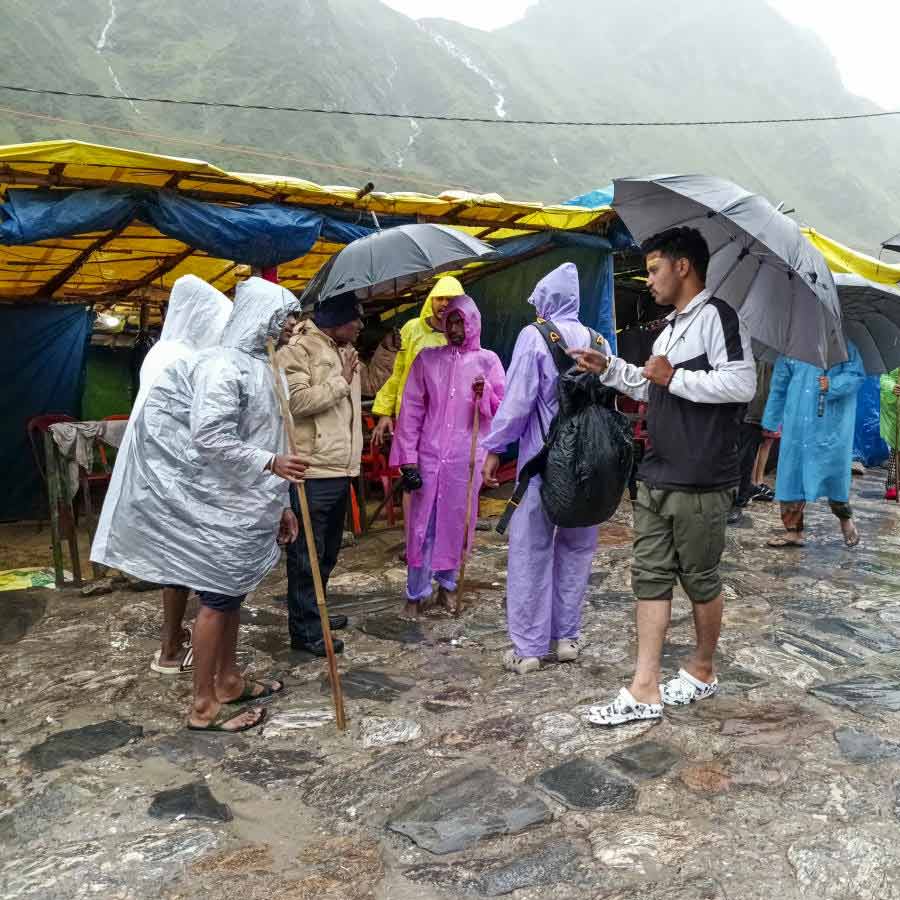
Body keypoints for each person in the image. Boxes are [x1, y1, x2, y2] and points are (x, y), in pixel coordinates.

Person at [92, 277, 306, 733]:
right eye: (286, 314)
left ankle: (227, 681)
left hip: (252, 506)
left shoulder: (268, 368)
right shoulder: (222, 366)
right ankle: (203, 706)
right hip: (222, 510)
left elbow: (271, 436)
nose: (293, 324)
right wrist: (272, 464)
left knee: (231, 597)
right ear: (262, 316)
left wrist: (281, 503)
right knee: (215, 600)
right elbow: (209, 437)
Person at [572, 227, 756, 726]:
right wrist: (607, 367)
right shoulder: (671, 326)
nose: (648, 279)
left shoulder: (719, 317)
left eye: (654, 269)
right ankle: (644, 687)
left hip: (702, 474)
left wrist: (674, 376)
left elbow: (742, 382)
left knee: (700, 579)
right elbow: (651, 386)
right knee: (649, 576)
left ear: (682, 267)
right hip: (657, 470)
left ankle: (701, 668)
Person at [91, 275, 232, 677]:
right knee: (184, 564)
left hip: (165, 473)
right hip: (175, 476)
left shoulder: (164, 351)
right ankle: (173, 649)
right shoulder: (180, 357)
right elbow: (191, 426)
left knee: (177, 565)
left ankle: (175, 642)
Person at [481, 263, 611, 674]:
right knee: (577, 549)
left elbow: (518, 401)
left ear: (544, 300)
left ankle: (529, 648)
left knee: (531, 550)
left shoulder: (533, 336)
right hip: (589, 464)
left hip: (542, 464)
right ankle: (567, 637)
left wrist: (495, 448)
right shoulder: (599, 340)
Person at [389, 295, 505, 618]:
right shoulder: (427, 359)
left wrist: (484, 397)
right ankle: (414, 593)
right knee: (420, 526)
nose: (454, 328)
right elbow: (411, 411)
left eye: (460, 321)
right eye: (450, 321)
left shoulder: (488, 361)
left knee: (458, 522)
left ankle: (448, 587)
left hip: (464, 459)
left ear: (472, 323)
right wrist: (407, 459)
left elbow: (499, 409)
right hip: (427, 456)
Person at [278, 293, 364, 656]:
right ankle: (305, 631)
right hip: (312, 471)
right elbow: (296, 403)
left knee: (327, 552)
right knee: (305, 556)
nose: (361, 326)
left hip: (340, 468)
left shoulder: (342, 351)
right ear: (336, 318)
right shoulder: (296, 351)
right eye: (355, 318)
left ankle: (318, 612)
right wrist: (341, 380)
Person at [763, 344, 865, 548]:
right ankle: (793, 532)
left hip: (830, 426)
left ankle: (845, 520)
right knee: (792, 478)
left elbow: (857, 377)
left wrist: (833, 384)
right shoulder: (792, 348)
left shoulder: (845, 348)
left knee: (834, 478)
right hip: (797, 426)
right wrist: (770, 420)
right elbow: (779, 386)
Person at [370, 277, 461, 444]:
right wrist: (385, 413)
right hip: (410, 419)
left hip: (447, 424)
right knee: (411, 468)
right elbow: (394, 373)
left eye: (450, 299)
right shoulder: (412, 329)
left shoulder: (462, 336)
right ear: (431, 300)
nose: (444, 303)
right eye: (439, 298)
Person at [728, 359, 774, 524]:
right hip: (737, 404)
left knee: (745, 458)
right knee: (735, 454)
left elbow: (764, 386)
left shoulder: (766, 356)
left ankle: (739, 501)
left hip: (753, 410)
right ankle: (735, 497)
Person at [880, 367, 900, 500]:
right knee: (896, 449)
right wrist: (893, 387)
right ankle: (892, 485)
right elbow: (885, 378)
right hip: (896, 410)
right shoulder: (893, 360)